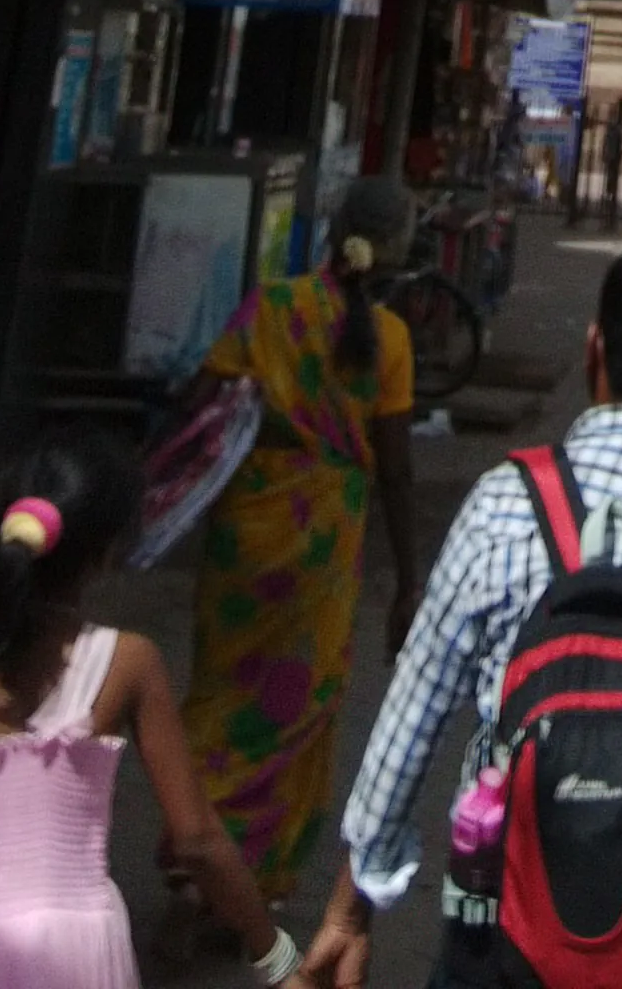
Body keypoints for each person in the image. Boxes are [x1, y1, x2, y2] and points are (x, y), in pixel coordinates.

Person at [301, 238, 622, 987]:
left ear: (594, 348)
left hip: (502, 923)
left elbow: (412, 714)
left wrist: (349, 912)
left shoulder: (505, 504)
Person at [0, 430, 293, 988]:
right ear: (105, 554)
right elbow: (197, 840)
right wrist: (277, 956)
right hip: (70, 954)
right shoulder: (127, 663)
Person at [175, 176, 423, 899]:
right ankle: (251, 874)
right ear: (394, 250)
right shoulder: (392, 342)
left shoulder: (270, 307)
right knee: (294, 706)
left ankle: (192, 852)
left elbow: (199, 404)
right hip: (323, 548)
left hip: (244, 533)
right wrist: (408, 581)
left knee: (220, 690)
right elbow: (399, 474)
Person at [600, 93, 622, 226]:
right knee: (611, 179)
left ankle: (609, 201)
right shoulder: (617, 125)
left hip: (613, 154)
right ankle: (609, 201)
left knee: (611, 179)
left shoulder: (616, 126)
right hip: (613, 154)